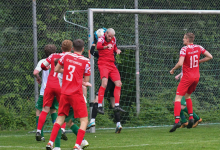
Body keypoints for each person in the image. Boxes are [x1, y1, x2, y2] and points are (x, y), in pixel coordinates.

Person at [46, 39, 91, 150]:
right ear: (83, 49)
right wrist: (85, 82)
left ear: (73, 48)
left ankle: (50, 142)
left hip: (65, 93)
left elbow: (56, 69)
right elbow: (85, 80)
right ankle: (77, 145)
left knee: (60, 119)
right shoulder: (86, 61)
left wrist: (66, 71)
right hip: (76, 94)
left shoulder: (66, 57)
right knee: (84, 120)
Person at [169, 32, 213, 132]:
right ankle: (191, 118)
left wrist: (173, 69)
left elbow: (180, 63)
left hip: (187, 77)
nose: (183, 40)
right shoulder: (199, 47)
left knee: (177, 99)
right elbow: (210, 56)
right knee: (188, 96)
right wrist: (198, 61)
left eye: (184, 38)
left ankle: (177, 121)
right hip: (196, 77)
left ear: (188, 40)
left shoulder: (184, 49)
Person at [87, 30, 124, 133]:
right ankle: (118, 124)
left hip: (108, 76)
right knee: (113, 101)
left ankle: (92, 120)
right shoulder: (109, 49)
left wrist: (94, 42)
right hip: (113, 74)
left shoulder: (103, 51)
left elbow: (93, 52)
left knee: (97, 98)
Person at [35, 41, 72, 145]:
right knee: (63, 108)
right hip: (60, 85)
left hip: (49, 85)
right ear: (71, 48)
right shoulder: (69, 56)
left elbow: (43, 66)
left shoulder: (52, 56)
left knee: (45, 109)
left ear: (61, 47)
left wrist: (47, 67)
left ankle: (38, 131)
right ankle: (63, 129)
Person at [33, 44, 59, 142]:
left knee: (40, 111)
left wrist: (38, 78)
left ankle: (40, 134)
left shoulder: (43, 61)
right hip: (56, 90)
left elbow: (35, 72)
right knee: (53, 111)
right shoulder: (57, 61)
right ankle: (57, 134)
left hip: (45, 91)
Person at [96, 28, 124, 114]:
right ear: (106, 33)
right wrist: (106, 46)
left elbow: (115, 47)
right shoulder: (101, 38)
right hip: (103, 63)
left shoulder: (113, 39)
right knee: (104, 83)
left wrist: (117, 50)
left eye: (111, 37)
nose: (110, 38)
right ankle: (99, 106)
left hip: (111, 64)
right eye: (109, 36)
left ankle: (116, 105)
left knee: (119, 83)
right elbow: (98, 46)